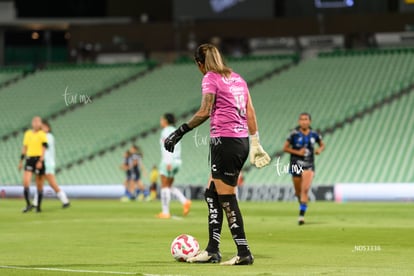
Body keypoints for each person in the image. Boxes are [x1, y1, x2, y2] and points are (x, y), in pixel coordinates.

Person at [164, 44, 271, 265]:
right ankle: (212, 249)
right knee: (212, 192)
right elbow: (250, 110)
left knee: (227, 198)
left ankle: (243, 252)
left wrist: (179, 132)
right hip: (239, 141)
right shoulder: (238, 78)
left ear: (199, 63)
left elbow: (205, 110)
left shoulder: (210, 78)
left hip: (224, 142)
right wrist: (255, 141)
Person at [283, 112, 325, 225]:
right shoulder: (294, 134)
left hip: (309, 164)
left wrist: (319, 150)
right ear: (299, 121)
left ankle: (301, 216)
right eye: (301, 119)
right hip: (295, 164)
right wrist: (298, 152)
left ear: (310, 121)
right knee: (298, 192)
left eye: (306, 119)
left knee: (305, 189)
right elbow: (285, 148)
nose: (304, 121)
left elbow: (322, 145)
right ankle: (303, 203)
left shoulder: (314, 134)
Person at [157, 113, 191, 219]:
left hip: (169, 161)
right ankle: (185, 201)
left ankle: (165, 212)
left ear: (166, 121)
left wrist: (167, 162)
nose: (160, 121)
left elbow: (166, 148)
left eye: (162, 119)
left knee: (164, 186)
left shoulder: (165, 131)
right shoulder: (175, 130)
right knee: (169, 186)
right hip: (177, 161)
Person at [32, 120, 70, 208]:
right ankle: (36, 202)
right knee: (40, 183)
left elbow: (43, 146)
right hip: (43, 163)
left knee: (51, 183)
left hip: (47, 163)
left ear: (48, 128)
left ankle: (65, 200)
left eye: (44, 127)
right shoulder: (43, 136)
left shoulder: (48, 136)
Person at [18, 116, 48, 213]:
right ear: (32, 123)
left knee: (39, 185)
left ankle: (38, 207)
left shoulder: (42, 134)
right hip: (29, 159)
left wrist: (40, 160)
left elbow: (44, 148)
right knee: (26, 182)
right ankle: (28, 204)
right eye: (34, 121)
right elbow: (25, 147)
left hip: (38, 159)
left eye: (37, 121)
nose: (35, 123)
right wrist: (21, 161)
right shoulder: (27, 134)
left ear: (40, 124)